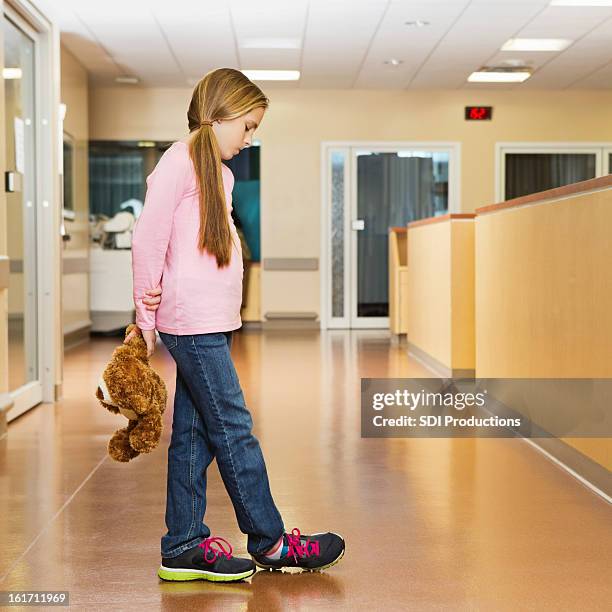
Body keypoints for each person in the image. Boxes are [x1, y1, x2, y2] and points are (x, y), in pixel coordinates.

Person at [124, 68, 345, 583]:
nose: (250, 138)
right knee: (234, 428)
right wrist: (144, 314)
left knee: (196, 435)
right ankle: (269, 541)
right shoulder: (178, 162)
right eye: (246, 126)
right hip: (190, 323)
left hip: (211, 322)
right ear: (217, 116)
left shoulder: (218, 174)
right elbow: (147, 238)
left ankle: (181, 546)